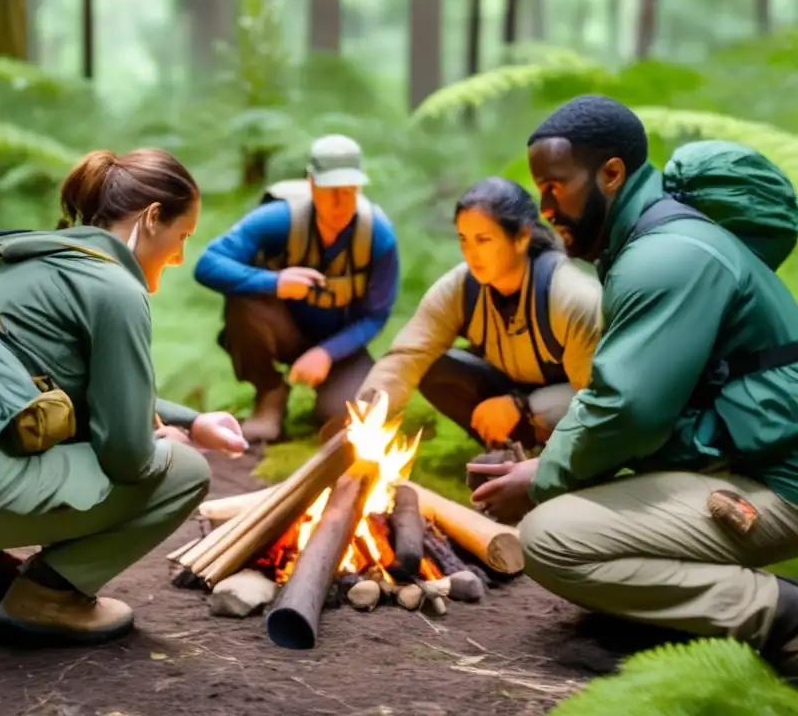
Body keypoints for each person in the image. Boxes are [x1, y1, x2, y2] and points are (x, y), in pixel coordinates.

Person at [467, 95, 798, 677]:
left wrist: (541, 478)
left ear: (612, 174)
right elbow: (618, 394)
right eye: (538, 191)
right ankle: (676, 607)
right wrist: (552, 463)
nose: (544, 207)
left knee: (550, 537)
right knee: (575, 501)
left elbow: (629, 410)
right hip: (742, 458)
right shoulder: (653, 243)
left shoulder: (663, 258)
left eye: (555, 187)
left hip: (775, 485)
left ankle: (780, 613)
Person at [0, 149, 248, 645]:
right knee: (186, 472)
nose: (178, 256)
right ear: (153, 218)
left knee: (41, 417)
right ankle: (48, 597)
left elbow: (65, 385)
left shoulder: (18, 264)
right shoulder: (114, 289)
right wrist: (170, 446)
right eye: (182, 237)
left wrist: (192, 421)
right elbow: (127, 457)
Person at [357, 177, 603, 451]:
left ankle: (553, 459)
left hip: (575, 401)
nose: (472, 254)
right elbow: (408, 355)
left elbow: (599, 397)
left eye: (483, 240)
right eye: (464, 239)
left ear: (522, 237)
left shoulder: (572, 297)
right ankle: (506, 450)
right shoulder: (460, 288)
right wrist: (366, 412)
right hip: (511, 384)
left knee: (578, 407)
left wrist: (522, 406)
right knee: (433, 367)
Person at [193, 134, 400, 443]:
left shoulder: (378, 236)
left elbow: (376, 315)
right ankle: (269, 393)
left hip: (340, 346)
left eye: (349, 190)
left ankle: (325, 400)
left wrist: (326, 353)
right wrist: (275, 283)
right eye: (330, 190)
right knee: (243, 298)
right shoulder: (279, 219)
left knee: (350, 417)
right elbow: (207, 264)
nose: (340, 202)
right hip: (280, 328)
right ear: (311, 182)